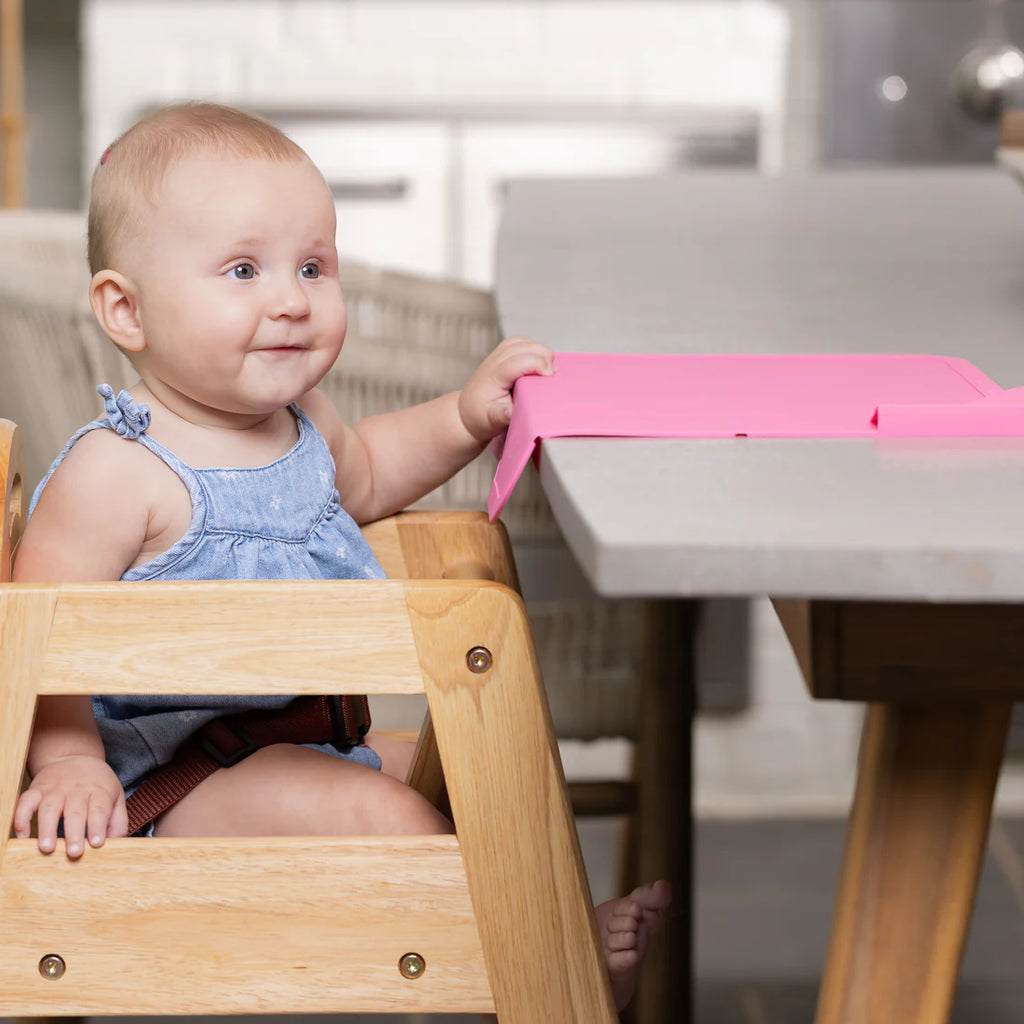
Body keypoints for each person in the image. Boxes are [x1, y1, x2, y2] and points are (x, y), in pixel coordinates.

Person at [10, 101, 671, 1011]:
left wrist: (463, 418)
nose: (291, 298)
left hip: (300, 740)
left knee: (500, 779)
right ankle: (542, 971)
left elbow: (364, 474)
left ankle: (547, 930)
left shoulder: (300, 424)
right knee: (389, 817)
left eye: (313, 266)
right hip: (172, 786)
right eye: (244, 270)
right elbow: (37, 628)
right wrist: (67, 761)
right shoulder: (119, 469)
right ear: (126, 309)